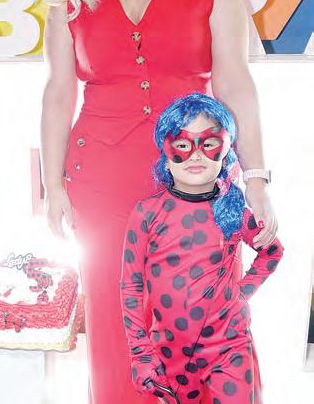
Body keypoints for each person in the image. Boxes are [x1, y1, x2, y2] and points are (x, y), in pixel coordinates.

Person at [40, 0, 277, 403]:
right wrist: (53, 186)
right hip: (101, 186)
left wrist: (257, 179)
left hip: (196, 184)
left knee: (203, 324)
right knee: (117, 326)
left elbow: (235, 85)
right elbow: (57, 94)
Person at [120, 93, 283, 404]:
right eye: (183, 144)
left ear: (225, 150)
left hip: (229, 345)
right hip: (172, 353)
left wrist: (240, 294)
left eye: (208, 144)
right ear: (165, 151)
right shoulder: (147, 214)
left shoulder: (233, 212)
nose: (196, 156)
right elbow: (130, 286)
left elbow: (272, 251)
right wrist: (140, 353)